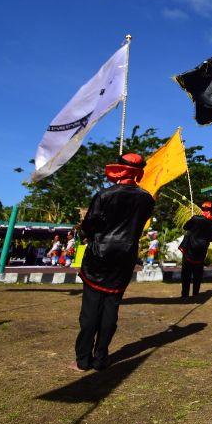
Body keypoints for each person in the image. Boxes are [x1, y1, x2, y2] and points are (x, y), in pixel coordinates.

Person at [72, 153, 155, 372]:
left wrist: (89, 234)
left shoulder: (105, 195)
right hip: (126, 256)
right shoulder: (147, 198)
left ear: (119, 169)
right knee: (111, 307)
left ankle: (83, 360)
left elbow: (89, 225)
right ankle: (101, 358)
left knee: (91, 308)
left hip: (100, 255)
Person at [179, 202, 212, 297]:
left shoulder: (196, 218)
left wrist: (193, 222)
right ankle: (195, 293)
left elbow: (185, 227)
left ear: (202, 209)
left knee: (186, 273)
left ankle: (185, 294)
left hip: (189, 249)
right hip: (201, 250)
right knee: (198, 274)